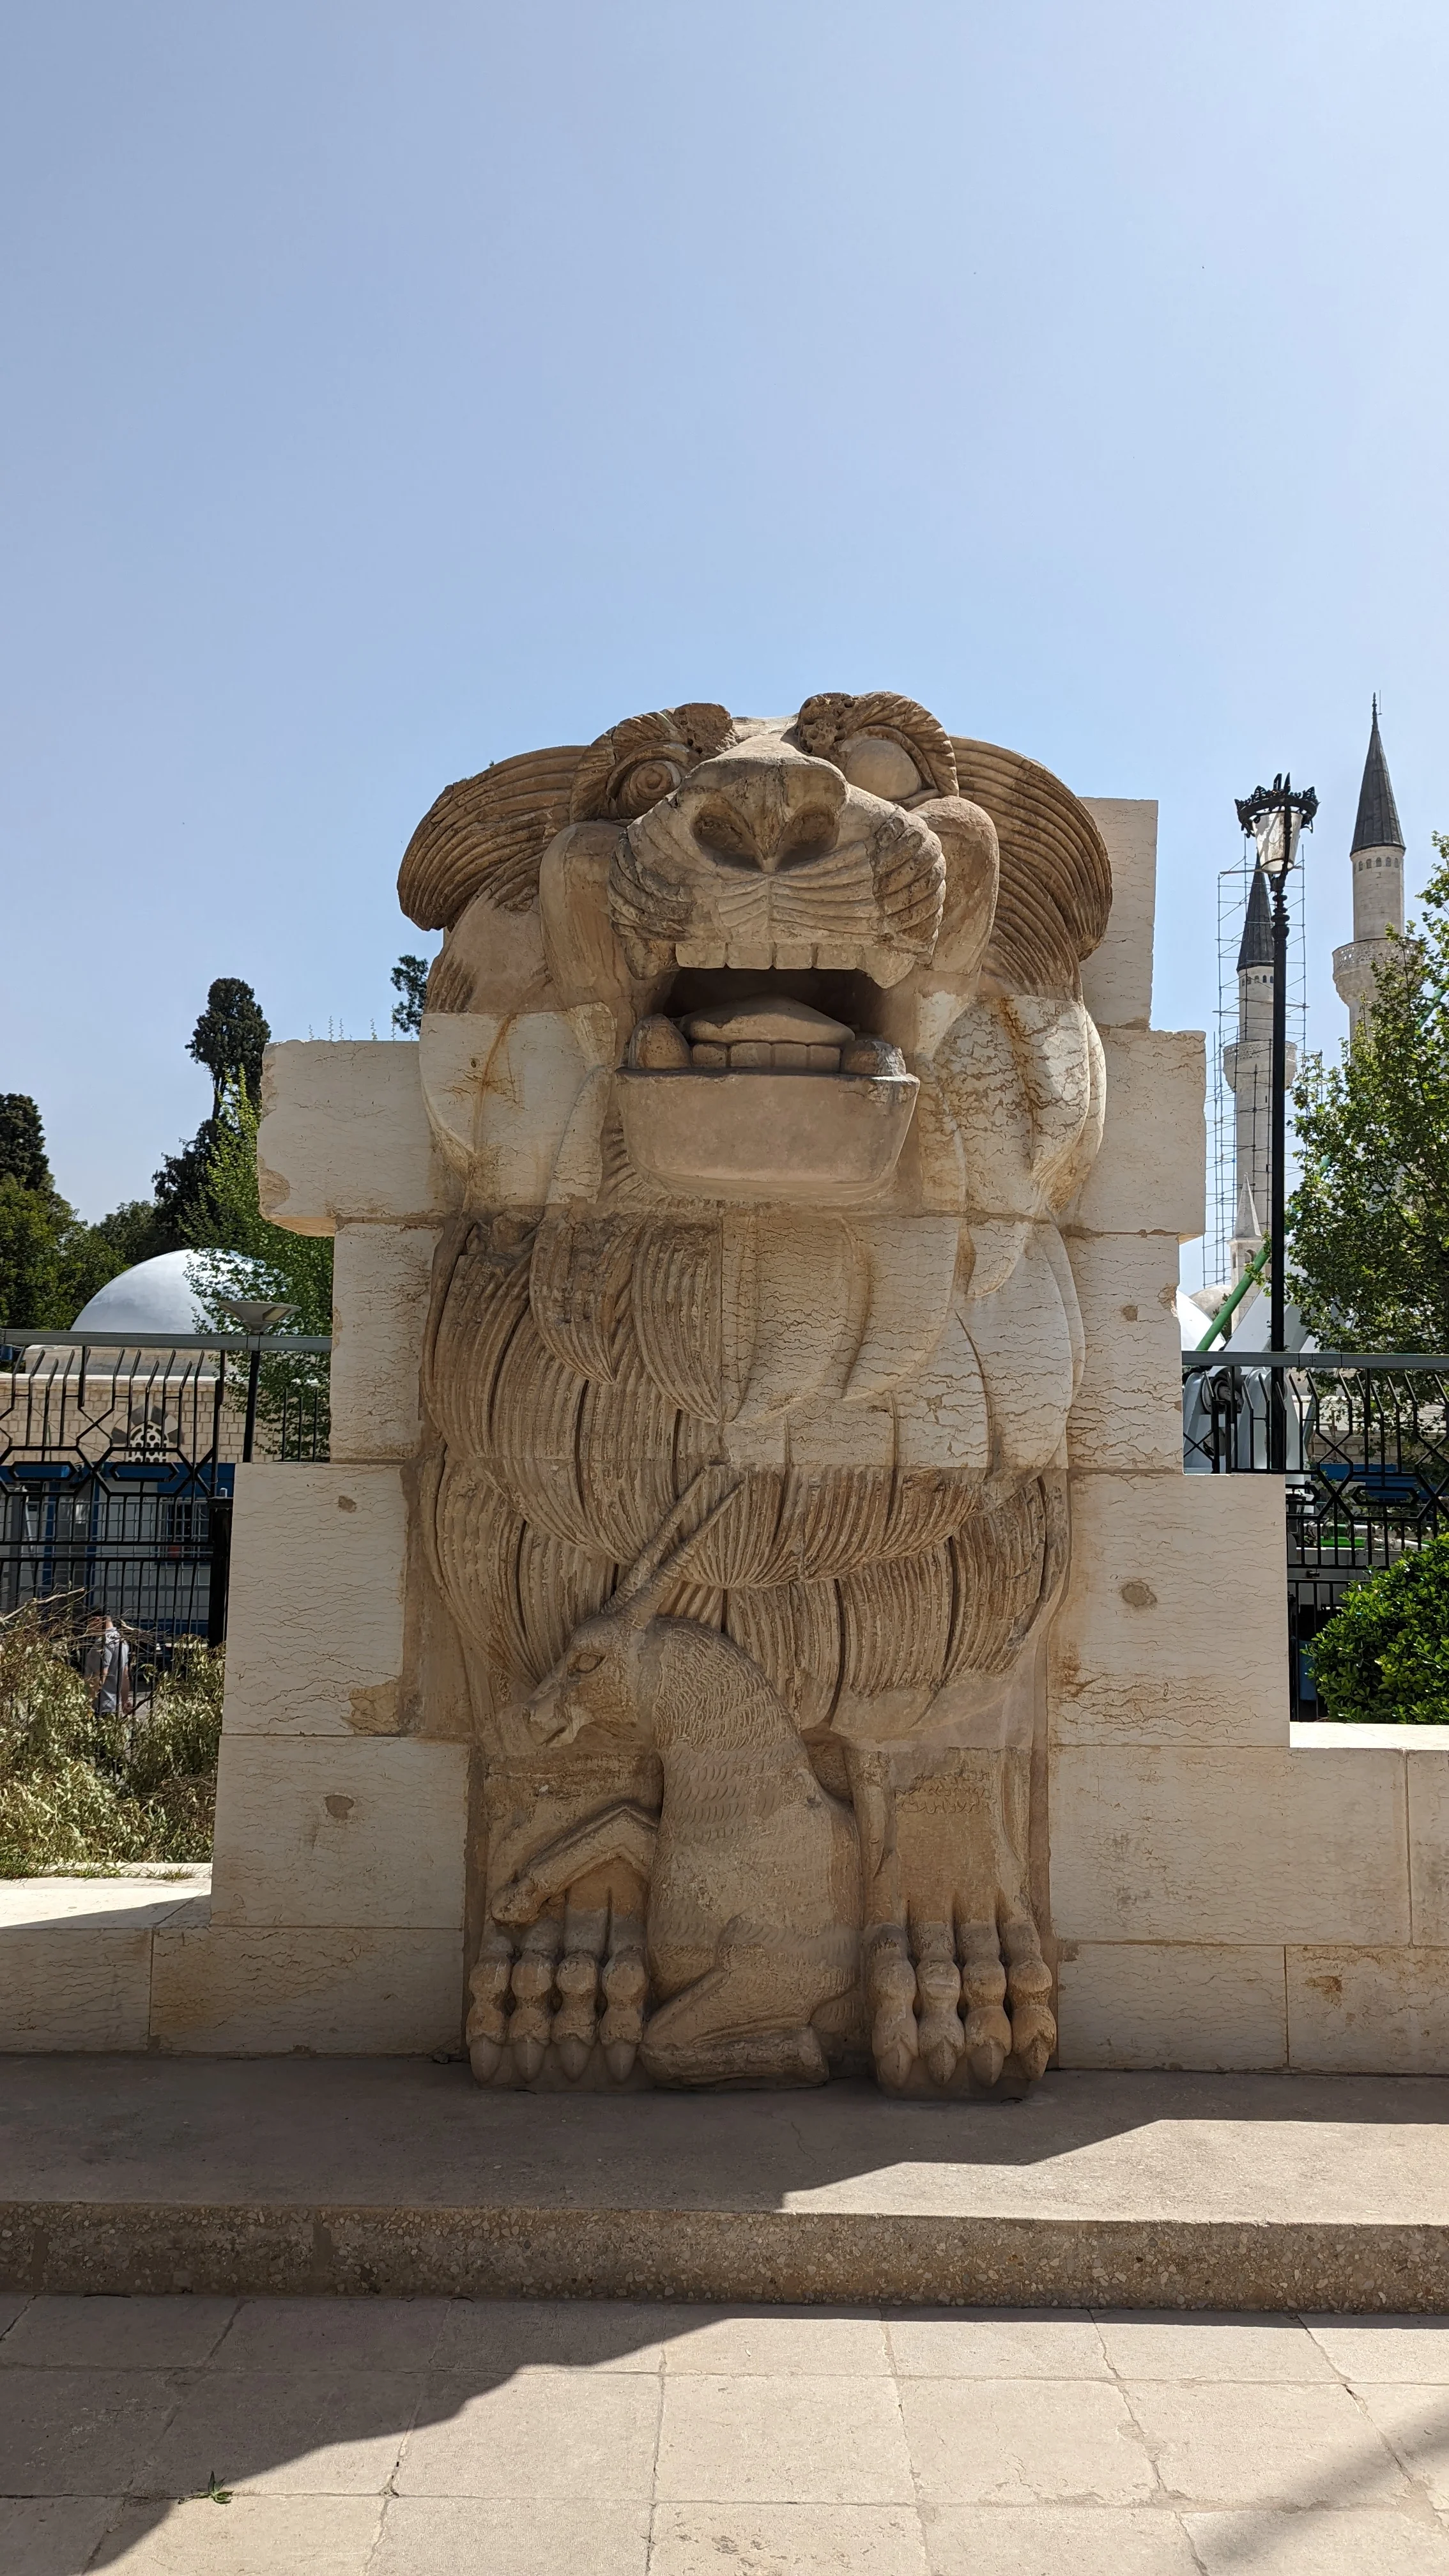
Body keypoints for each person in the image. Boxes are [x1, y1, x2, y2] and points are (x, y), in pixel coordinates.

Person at [83, 1613, 132, 1719]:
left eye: (88, 1623)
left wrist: (87, 1704)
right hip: (113, 1705)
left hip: (99, 1706)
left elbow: (100, 1675)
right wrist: (125, 1700)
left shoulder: (103, 1642)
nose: (89, 1629)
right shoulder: (121, 1640)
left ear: (97, 1620)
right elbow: (125, 1674)